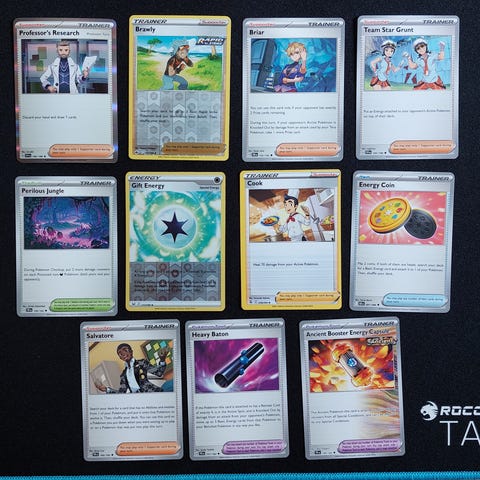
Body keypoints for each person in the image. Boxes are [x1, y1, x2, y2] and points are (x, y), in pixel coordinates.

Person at [94, 343, 173, 393]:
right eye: (120, 353)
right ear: (120, 357)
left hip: (153, 394)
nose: (123, 353)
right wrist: (107, 389)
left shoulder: (142, 363)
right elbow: (122, 393)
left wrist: (162, 359)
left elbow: (159, 372)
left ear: (131, 351)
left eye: (125, 350)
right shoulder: (123, 375)